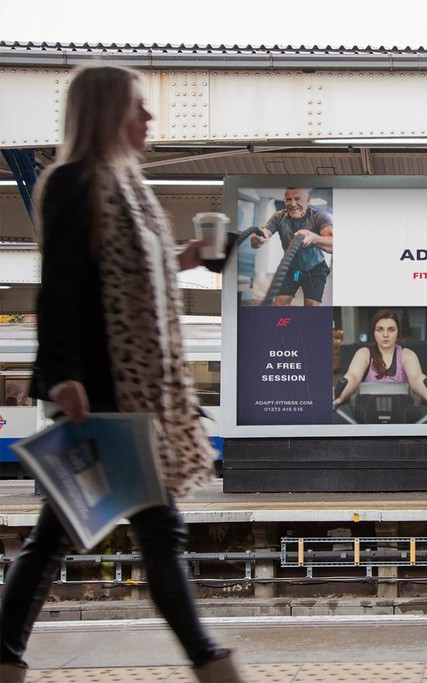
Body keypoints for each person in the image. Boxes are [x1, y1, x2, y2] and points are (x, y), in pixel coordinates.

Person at [0, 65, 244, 683]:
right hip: (103, 394)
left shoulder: (125, 185)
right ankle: (209, 662)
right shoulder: (74, 181)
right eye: (140, 107)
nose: (150, 119)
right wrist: (59, 373)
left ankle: (3, 656)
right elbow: (60, 284)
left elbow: (132, 269)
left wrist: (185, 258)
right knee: (159, 532)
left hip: (128, 395)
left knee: (59, 536)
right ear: (108, 112)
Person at [249, 187, 334, 306]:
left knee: (311, 307)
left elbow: (333, 243)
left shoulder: (319, 217)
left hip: (315, 269)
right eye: (289, 199)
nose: (293, 204)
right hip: (292, 269)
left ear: (308, 201)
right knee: (279, 304)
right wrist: (258, 238)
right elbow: (264, 233)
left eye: (297, 199)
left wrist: (314, 238)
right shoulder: (279, 217)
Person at [334, 310, 427, 411]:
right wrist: (340, 393)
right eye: (380, 330)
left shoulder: (407, 354)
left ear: (398, 333)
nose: (385, 335)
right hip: (368, 412)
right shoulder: (364, 353)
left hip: (401, 412)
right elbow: (353, 376)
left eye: (391, 330)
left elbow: (416, 378)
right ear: (374, 333)